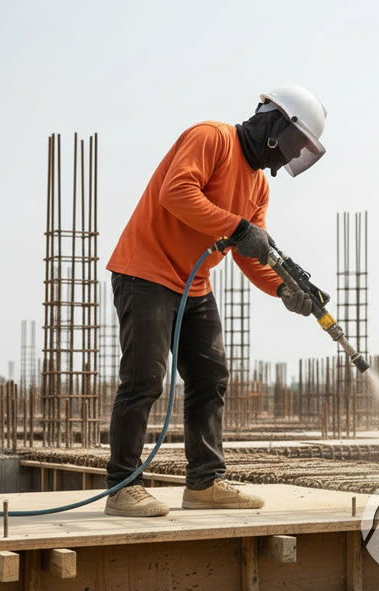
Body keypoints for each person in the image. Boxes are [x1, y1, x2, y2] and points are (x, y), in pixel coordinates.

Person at [103, 85, 326, 517]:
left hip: (194, 284)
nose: (291, 157)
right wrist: (239, 228)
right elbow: (177, 192)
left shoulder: (258, 187)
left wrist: (283, 289)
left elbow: (251, 251)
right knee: (144, 379)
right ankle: (122, 486)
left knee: (210, 376)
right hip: (146, 271)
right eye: (295, 144)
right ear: (275, 126)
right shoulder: (212, 137)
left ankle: (204, 484)